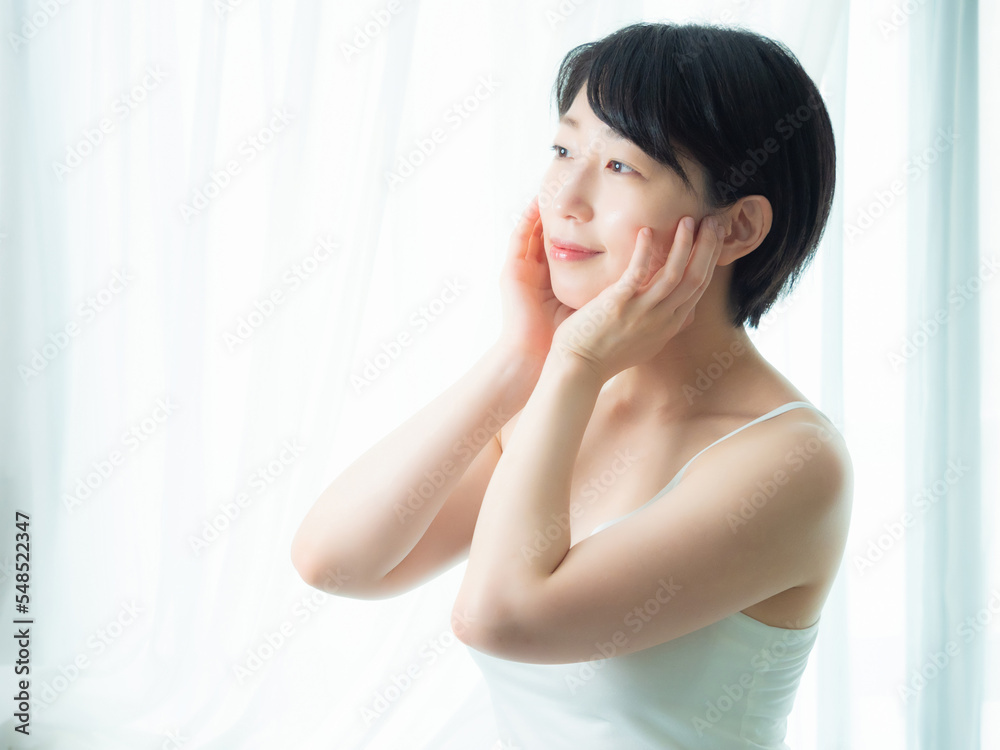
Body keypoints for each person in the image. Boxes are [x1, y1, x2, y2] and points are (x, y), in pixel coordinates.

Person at [292, 20, 852, 749]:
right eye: (563, 151)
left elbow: (501, 618)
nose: (566, 197)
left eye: (620, 165)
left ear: (738, 227)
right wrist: (519, 359)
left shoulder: (792, 462)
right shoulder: (559, 401)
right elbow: (334, 561)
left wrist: (574, 366)